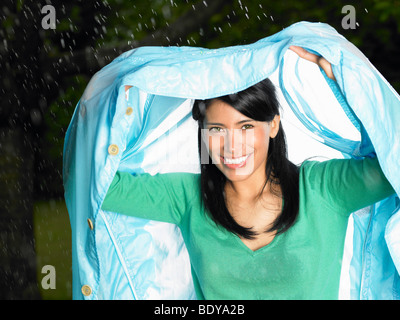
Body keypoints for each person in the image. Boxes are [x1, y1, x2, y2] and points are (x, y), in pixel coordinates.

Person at [101, 46, 395, 299]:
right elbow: (96, 185)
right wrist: (120, 108)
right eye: (216, 130)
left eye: (246, 127)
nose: (231, 146)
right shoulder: (187, 197)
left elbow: (395, 160)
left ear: (273, 126)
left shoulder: (323, 189)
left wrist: (348, 84)